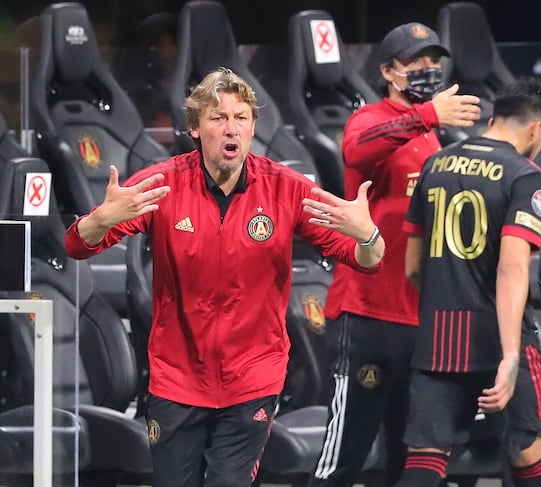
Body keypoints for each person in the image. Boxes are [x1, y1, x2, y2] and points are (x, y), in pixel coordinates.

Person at [64, 67, 385, 487]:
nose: (231, 128)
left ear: (253, 126)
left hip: (253, 379)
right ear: (195, 127)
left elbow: (368, 260)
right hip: (176, 380)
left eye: (241, 117)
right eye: (218, 118)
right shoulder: (163, 185)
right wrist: (100, 219)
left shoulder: (286, 188)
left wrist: (369, 234)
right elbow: (76, 247)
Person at [308, 22, 481, 486]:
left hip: (418, 322)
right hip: (367, 317)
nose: (429, 70)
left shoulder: (434, 140)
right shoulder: (370, 119)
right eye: (416, 63)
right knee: (343, 457)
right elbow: (356, 149)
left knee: (407, 459)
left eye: (434, 62)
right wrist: (425, 115)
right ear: (388, 71)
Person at [397, 77, 541, 487]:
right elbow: (513, 267)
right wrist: (509, 355)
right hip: (497, 336)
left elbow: (413, 267)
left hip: (437, 339)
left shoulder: (434, 163)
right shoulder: (525, 175)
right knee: (529, 443)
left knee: (426, 456)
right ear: (536, 129)